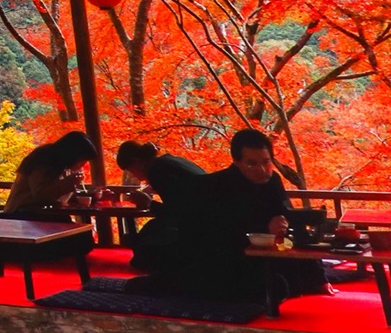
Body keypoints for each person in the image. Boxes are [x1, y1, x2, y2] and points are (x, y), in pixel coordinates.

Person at [164, 128, 324, 302]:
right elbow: (217, 234)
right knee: (275, 287)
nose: (262, 170)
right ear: (237, 162)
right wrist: (265, 229)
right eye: (251, 164)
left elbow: (287, 216)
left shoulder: (273, 181)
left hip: (264, 252)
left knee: (304, 270)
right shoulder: (213, 187)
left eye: (266, 162)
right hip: (223, 259)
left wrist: (317, 273)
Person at [116, 139, 207, 270]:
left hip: (198, 223)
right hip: (206, 214)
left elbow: (177, 212)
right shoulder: (168, 161)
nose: (134, 176)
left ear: (136, 161)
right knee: (150, 229)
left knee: (148, 236)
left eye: (131, 170)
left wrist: (148, 203)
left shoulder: (156, 170)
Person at [3, 131, 97, 218]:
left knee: (75, 228)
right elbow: (41, 195)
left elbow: (58, 195)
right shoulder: (42, 159)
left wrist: (93, 195)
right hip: (21, 215)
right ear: (72, 155)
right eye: (82, 161)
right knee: (74, 229)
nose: (83, 165)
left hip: (41, 214)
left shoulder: (62, 165)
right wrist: (69, 183)